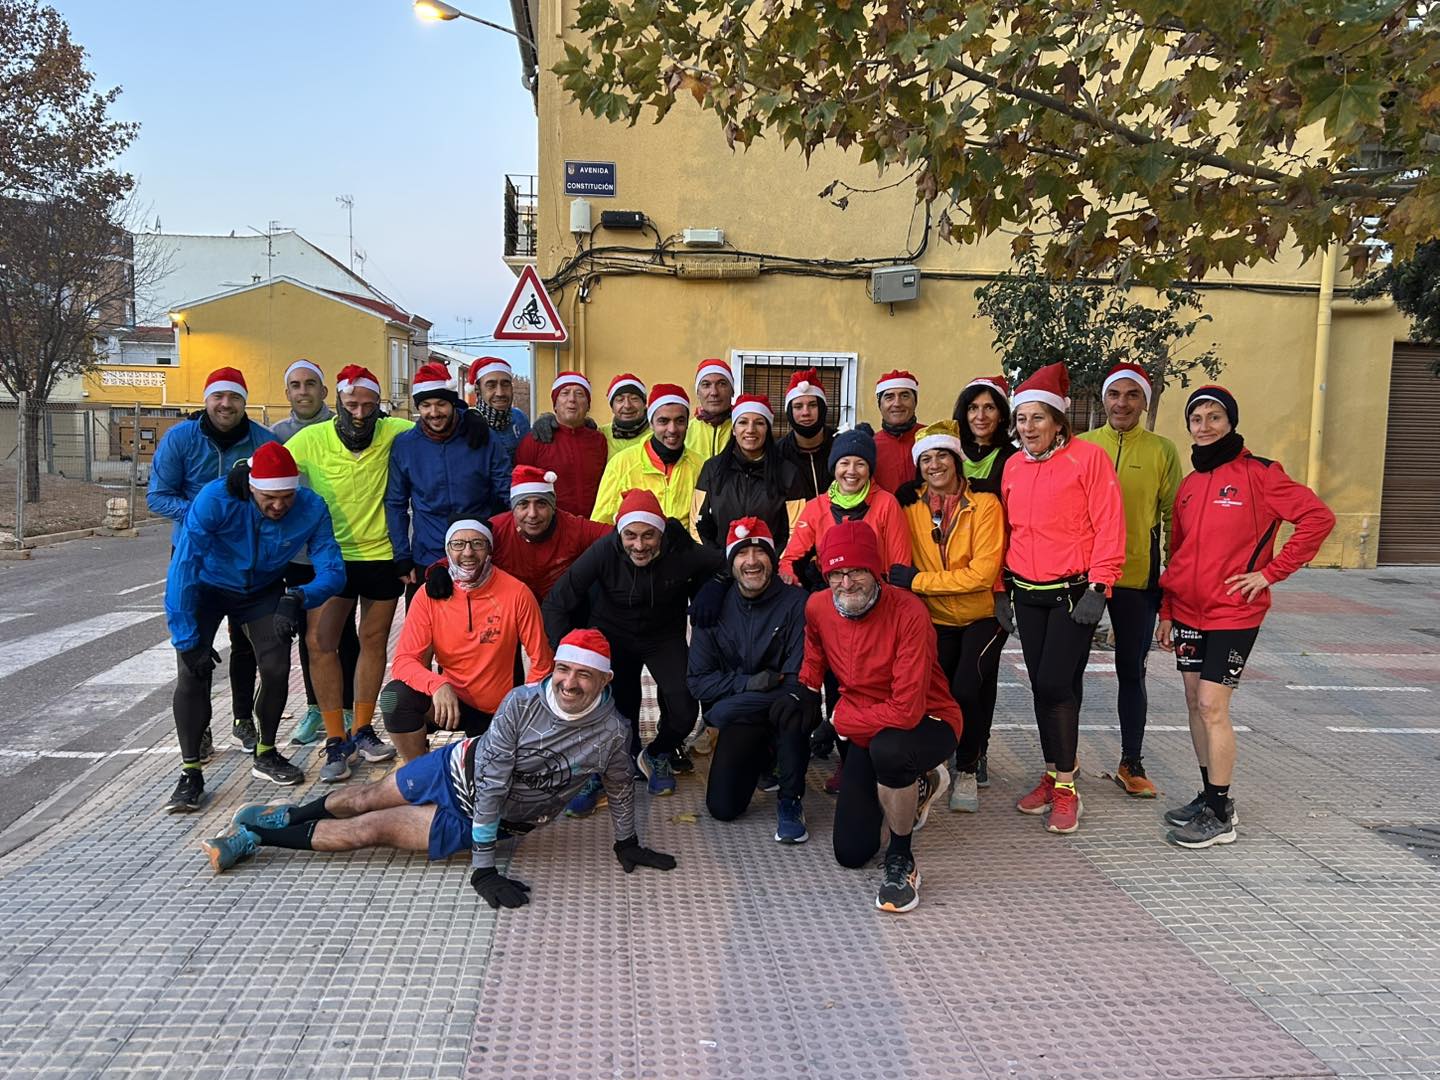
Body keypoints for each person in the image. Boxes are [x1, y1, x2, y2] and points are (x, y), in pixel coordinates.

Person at [202, 630, 679, 909]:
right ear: (553, 669)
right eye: (564, 670)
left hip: (477, 818)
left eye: (585, 675)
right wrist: (484, 869)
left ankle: (254, 839)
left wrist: (627, 841)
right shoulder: (522, 702)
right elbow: (493, 782)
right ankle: (285, 816)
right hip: (458, 767)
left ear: (605, 681)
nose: (570, 683)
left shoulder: (613, 732)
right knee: (364, 797)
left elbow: (619, 788)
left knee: (368, 829)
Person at [1157, 385, 1334, 848]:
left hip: (1234, 612)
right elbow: (1178, 552)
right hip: (1190, 610)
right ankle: (1208, 794)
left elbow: (1318, 518)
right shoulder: (1191, 484)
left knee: (1214, 706)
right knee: (1195, 704)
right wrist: (1168, 610)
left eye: (1215, 417)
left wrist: (1270, 573)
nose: (1206, 425)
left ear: (1231, 422)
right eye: (1197, 418)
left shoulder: (1261, 474)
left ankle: (1220, 814)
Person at [161, 442, 343, 812]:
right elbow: (183, 566)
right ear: (252, 488)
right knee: (192, 673)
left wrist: (299, 597)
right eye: (270, 498)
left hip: (261, 591)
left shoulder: (311, 507)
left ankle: (266, 752)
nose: (279, 506)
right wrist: (186, 638)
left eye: (287, 497)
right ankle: (190, 772)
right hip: (208, 588)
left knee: (276, 667)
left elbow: (334, 571)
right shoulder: (216, 499)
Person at [799, 520, 961, 913]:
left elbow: (907, 711)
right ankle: (917, 787)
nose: (846, 582)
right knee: (851, 852)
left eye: (856, 571)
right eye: (836, 572)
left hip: (929, 719)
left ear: (877, 571)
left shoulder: (909, 611)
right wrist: (800, 697)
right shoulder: (818, 606)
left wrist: (841, 721)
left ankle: (902, 860)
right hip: (868, 723)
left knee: (891, 751)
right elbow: (813, 663)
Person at [998, 362, 1126, 835]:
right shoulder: (1012, 466)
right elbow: (1005, 531)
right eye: (1022, 419)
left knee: (1054, 684)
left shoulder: (1088, 460)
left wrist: (1101, 585)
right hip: (1026, 591)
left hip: (1075, 594)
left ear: (1058, 421)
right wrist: (1001, 589)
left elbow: (1110, 523)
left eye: (1038, 418)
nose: (1028, 427)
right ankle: (1054, 773)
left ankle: (1067, 786)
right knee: (1046, 686)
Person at [544, 489, 728, 795]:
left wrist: (714, 588)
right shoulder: (604, 550)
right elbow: (556, 602)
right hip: (612, 634)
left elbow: (726, 563)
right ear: (620, 533)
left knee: (683, 707)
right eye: (630, 535)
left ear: (661, 533)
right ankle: (612, 761)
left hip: (663, 636)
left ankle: (658, 754)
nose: (639, 545)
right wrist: (568, 657)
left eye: (648, 536)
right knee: (619, 709)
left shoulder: (681, 550)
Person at [285, 364, 410, 782]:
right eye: (352, 404)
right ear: (337, 402)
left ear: (380, 407)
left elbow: (443, 420)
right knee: (321, 644)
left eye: (368, 405)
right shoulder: (312, 438)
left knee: (373, 643)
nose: (359, 413)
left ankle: (362, 730)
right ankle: (335, 738)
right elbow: (269, 463)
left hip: (381, 556)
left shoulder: (395, 431)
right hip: (330, 558)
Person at [148, 366, 276, 759]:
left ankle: (242, 718)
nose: (226, 404)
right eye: (218, 397)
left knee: (247, 647)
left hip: (246, 561)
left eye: (234, 397)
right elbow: (158, 496)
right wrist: (204, 515)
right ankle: (198, 732)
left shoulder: (262, 441)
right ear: (206, 401)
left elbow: (276, 500)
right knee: (195, 652)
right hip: (194, 556)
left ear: (244, 402)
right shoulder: (180, 440)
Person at [1076, 362, 1182, 798]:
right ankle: (1064, 761)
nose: (1122, 403)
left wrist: (1173, 582)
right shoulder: (1081, 446)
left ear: (1145, 401)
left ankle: (1131, 760)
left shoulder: (1162, 450)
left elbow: (1175, 519)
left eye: (1132, 395)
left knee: (1131, 672)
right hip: (1082, 579)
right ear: (1103, 399)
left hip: (1137, 578)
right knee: (1068, 673)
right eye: (1114, 394)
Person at [892, 421, 1006, 814]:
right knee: (932, 694)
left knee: (966, 688)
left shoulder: (986, 504)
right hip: (934, 619)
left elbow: (982, 574)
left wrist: (918, 581)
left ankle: (969, 767)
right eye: (925, 458)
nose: (935, 464)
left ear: (957, 459)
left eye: (942, 455)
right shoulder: (908, 505)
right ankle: (935, 761)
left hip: (982, 616)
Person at [380, 519, 555, 761]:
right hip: (449, 703)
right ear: (447, 550)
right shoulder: (428, 595)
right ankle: (417, 771)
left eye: (477, 544)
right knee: (394, 697)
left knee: (485, 782)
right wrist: (437, 684)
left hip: (499, 710)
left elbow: (542, 662)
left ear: (490, 549)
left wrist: (522, 711)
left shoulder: (517, 593)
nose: (468, 552)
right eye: (458, 544)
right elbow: (403, 662)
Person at [686, 518, 810, 842]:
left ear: (773, 558)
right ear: (731, 562)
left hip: (783, 708)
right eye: (742, 554)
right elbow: (698, 681)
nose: (752, 561)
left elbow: (796, 680)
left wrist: (724, 708)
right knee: (722, 808)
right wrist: (749, 684)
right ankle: (764, 758)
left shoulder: (796, 603)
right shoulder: (711, 607)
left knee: (793, 710)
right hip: (746, 712)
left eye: (760, 552)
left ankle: (790, 799)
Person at [271, 359, 361, 747]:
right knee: (310, 637)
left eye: (311, 384)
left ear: (325, 392)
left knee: (348, 634)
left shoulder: (343, 427)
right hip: (299, 555)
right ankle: (314, 709)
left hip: (344, 547)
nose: (303, 391)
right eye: (296, 385)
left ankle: (349, 709)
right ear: (287, 392)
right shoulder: (275, 436)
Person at [386, 362, 511, 602]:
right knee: (424, 634)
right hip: (428, 555)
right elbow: (395, 503)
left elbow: (506, 490)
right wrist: (401, 556)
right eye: (425, 405)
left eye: (441, 404)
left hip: (480, 553)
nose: (434, 412)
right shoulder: (405, 445)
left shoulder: (482, 436)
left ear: (452, 403)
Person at [779, 427, 911, 587]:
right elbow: (791, 560)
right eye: (844, 463)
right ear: (834, 467)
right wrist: (791, 579)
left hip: (877, 594)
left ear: (870, 469)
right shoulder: (816, 507)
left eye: (860, 464)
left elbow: (900, 565)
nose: (851, 471)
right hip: (830, 592)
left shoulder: (886, 503)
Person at [692, 393, 800, 553]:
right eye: (743, 422)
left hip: (771, 570)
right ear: (734, 430)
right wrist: (718, 562)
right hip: (721, 569)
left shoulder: (788, 473)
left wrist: (775, 564)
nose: (750, 430)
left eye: (759, 423)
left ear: (768, 429)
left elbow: (796, 530)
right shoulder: (712, 469)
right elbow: (697, 525)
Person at [490, 465, 612, 603]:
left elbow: (619, 535)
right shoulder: (496, 530)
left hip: (563, 607)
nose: (532, 514)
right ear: (513, 509)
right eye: (523, 504)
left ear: (553, 507)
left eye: (541, 504)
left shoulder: (572, 527)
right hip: (511, 607)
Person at [590, 384, 705, 524]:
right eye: (663, 421)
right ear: (651, 423)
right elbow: (600, 524)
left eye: (680, 421)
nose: (672, 429)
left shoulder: (700, 466)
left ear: (688, 423)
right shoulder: (622, 464)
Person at [516, 371, 610, 516]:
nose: (572, 399)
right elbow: (520, 486)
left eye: (579, 394)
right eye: (565, 393)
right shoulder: (535, 440)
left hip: (593, 525)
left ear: (588, 405)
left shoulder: (599, 441)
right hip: (552, 527)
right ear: (555, 404)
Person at [776, 368, 837, 502]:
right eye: (798, 406)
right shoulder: (777, 453)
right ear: (789, 412)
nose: (806, 412)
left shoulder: (840, 446)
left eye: (813, 405)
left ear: (822, 408)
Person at [952, 374, 1018, 498]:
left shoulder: (1013, 458)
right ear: (964, 414)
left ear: (1001, 415)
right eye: (973, 408)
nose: (981, 416)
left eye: (989, 407)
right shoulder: (950, 451)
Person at [466, 356, 531, 464]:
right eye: (491, 386)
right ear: (477, 389)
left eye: (505, 384)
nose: (500, 393)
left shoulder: (520, 419)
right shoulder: (466, 424)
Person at [871, 369, 923, 493]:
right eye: (889, 397)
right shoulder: (870, 446)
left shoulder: (932, 438)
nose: (897, 403)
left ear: (915, 401)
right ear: (880, 405)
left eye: (905, 396)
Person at [686, 357, 735, 461]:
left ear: (732, 390)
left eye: (722, 384)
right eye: (706, 385)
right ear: (698, 392)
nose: (714, 392)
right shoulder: (685, 431)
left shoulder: (743, 430)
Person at [600, 372, 650, 458]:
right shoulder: (601, 435)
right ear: (612, 407)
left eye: (634, 399)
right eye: (620, 400)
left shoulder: (658, 434)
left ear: (644, 404)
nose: (627, 405)